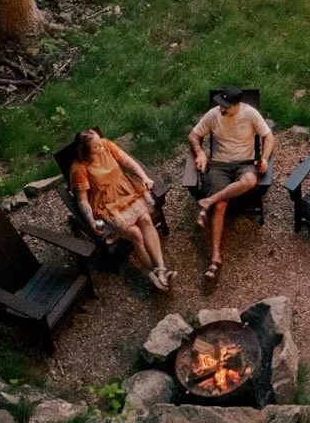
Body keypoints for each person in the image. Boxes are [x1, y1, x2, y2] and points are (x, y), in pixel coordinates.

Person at [189, 87, 272, 283]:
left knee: (251, 180)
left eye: (226, 106)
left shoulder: (250, 113)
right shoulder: (213, 114)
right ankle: (215, 257)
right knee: (221, 205)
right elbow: (193, 135)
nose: (221, 108)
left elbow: (269, 136)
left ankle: (206, 201)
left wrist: (265, 159)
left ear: (237, 105)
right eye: (220, 104)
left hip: (244, 164)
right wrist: (200, 152)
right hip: (219, 165)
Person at [68, 130, 169, 290]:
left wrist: (144, 177)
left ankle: (161, 268)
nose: (101, 147)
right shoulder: (79, 169)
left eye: (100, 143)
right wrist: (92, 221)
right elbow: (82, 201)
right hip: (106, 205)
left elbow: (128, 162)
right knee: (136, 234)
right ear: (86, 151)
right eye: (96, 147)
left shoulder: (106, 145)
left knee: (146, 220)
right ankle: (155, 272)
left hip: (126, 192)